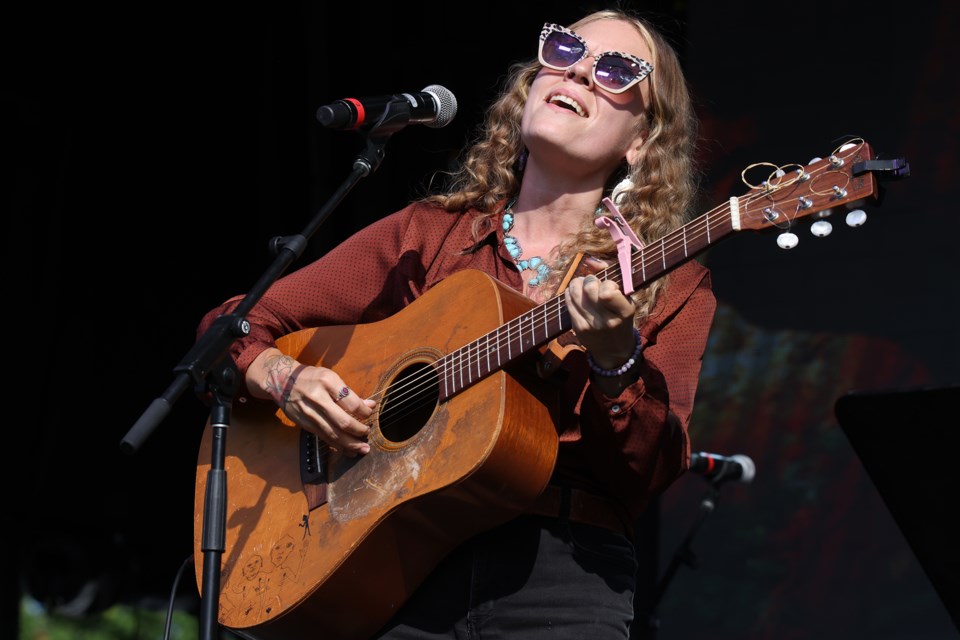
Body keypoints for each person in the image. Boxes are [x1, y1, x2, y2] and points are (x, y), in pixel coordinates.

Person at [195, 7, 716, 639]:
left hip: (563, 574)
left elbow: (652, 472)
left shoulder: (669, 277)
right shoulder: (429, 233)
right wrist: (284, 379)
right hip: (398, 558)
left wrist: (615, 358)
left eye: (614, 70)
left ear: (642, 140)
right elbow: (236, 325)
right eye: (564, 50)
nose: (577, 71)